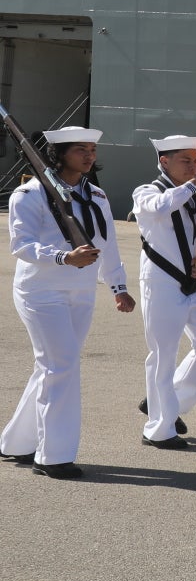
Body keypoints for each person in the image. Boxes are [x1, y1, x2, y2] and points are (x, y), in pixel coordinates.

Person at [3, 126, 134, 478]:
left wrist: (117, 286)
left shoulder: (97, 197)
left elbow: (107, 245)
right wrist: (63, 257)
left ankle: (16, 442)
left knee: (53, 366)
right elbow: (22, 246)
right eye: (81, 150)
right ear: (57, 154)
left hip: (81, 291)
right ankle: (53, 455)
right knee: (61, 366)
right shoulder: (29, 194)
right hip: (41, 291)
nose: (90, 156)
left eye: (92, 149)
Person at [131, 134, 196, 448]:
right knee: (163, 353)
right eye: (186, 160)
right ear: (164, 161)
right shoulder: (146, 192)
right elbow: (159, 207)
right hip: (163, 282)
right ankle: (158, 429)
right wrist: (193, 185)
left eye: (195, 161)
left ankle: (171, 404)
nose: (193, 167)